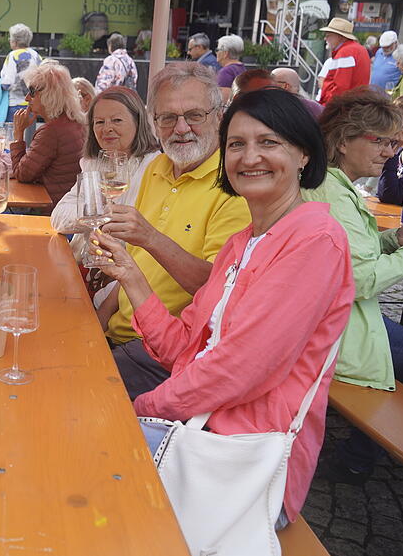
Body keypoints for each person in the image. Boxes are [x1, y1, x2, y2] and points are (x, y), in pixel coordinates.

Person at [92, 87, 354, 527]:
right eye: (237, 144)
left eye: (268, 142)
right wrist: (131, 277)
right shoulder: (243, 244)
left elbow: (237, 370)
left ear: (304, 154)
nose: (249, 157)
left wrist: (138, 408)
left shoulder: (315, 240)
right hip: (197, 438)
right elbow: (184, 349)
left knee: (80, 462)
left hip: (242, 466)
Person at [301, 88, 403, 483]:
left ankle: (359, 452)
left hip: (327, 320)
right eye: (380, 141)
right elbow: (360, 280)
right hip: (338, 330)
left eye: (395, 142)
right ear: (343, 140)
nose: (391, 152)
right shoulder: (334, 195)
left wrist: (394, 240)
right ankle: (357, 458)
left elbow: (344, 257)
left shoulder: (329, 185)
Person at [97, 62, 251, 399]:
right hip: (124, 332)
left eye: (194, 115)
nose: (181, 128)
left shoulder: (236, 187)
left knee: (72, 391)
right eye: (167, 118)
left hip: (169, 351)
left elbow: (215, 289)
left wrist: (151, 237)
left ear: (219, 116)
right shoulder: (157, 166)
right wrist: (100, 316)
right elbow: (135, 260)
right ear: (153, 123)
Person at [51, 87, 160, 260]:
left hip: (125, 273)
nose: (107, 128)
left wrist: (90, 213)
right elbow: (58, 218)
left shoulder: (155, 166)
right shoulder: (94, 164)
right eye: (99, 122)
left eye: (116, 120)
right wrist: (98, 213)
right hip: (82, 263)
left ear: (138, 122)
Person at [9, 62, 87, 207]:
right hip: (71, 204)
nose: (27, 98)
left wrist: (18, 133)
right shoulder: (76, 121)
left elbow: (22, 174)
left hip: (52, 209)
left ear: (49, 95)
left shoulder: (51, 132)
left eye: (32, 92)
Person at [317, 17, 370, 106]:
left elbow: (340, 88)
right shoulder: (358, 49)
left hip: (343, 107)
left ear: (340, 37)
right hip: (355, 104)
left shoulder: (345, 53)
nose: (325, 39)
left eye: (328, 35)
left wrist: (328, 109)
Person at [0, 23, 42, 123]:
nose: (9, 40)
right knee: (29, 136)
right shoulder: (36, 56)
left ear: (15, 41)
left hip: (16, 104)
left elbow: (7, 83)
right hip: (33, 105)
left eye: (10, 38)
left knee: (14, 135)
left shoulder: (13, 55)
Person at [214, 34, 246, 102]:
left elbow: (223, 101)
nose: (216, 52)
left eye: (217, 49)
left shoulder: (226, 72)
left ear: (225, 53)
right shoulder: (242, 68)